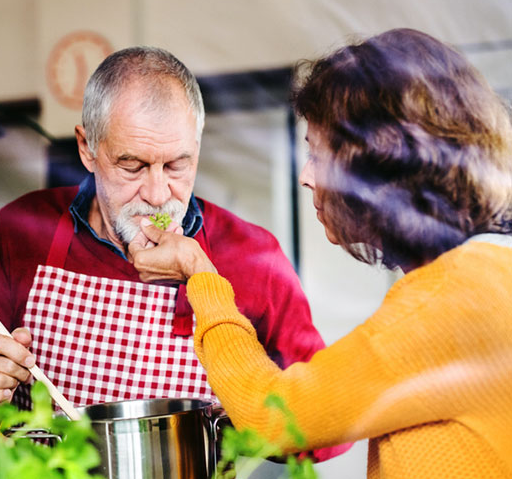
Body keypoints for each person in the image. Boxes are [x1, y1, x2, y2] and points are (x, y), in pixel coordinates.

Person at [0, 46, 349, 459]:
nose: (158, 194)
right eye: (133, 166)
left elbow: (331, 427)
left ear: (197, 149)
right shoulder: (23, 230)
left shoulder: (254, 256)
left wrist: (243, 414)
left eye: (177, 165)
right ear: (87, 149)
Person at [129, 28, 512, 477]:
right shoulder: (486, 273)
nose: (307, 176)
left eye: (317, 152)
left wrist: (200, 273)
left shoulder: (452, 300)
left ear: (374, 163)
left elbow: (270, 418)